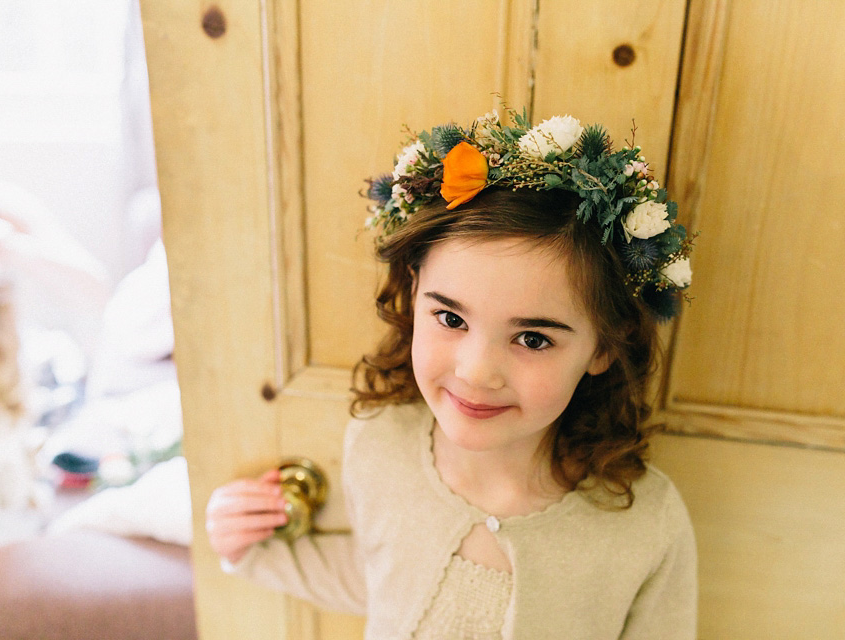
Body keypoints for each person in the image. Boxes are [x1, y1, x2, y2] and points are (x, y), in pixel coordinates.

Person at [205, 108, 697, 639]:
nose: (477, 371)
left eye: (533, 338)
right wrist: (246, 549)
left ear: (603, 347)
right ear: (415, 292)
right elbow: (384, 578)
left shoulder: (646, 524)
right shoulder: (380, 444)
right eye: (451, 318)